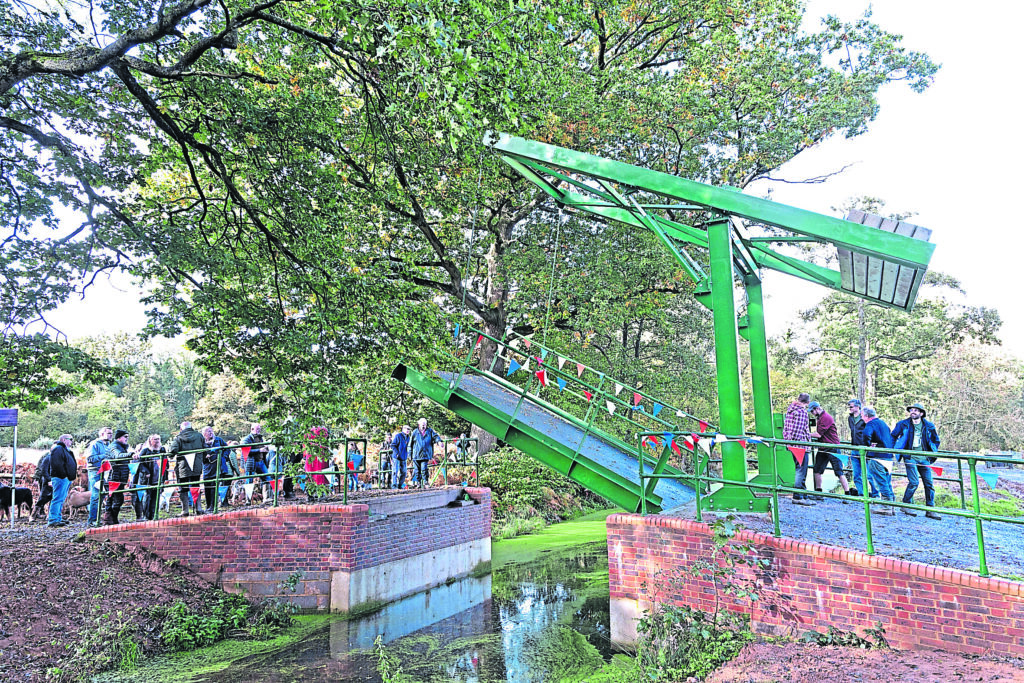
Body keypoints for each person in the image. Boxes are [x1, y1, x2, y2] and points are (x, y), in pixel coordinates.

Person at [892, 402, 942, 520]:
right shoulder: (903, 424)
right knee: (914, 482)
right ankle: (906, 504)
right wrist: (897, 449)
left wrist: (932, 450)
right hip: (910, 457)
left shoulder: (929, 425)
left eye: (916, 410)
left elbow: (936, 440)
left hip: (924, 458)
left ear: (921, 413)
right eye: (911, 410)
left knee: (929, 483)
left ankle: (930, 509)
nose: (912, 412)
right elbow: (893, 436)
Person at [808, 402, 856, 499]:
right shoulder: (820, 418)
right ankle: (819, 493)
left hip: (832, 447)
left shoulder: (826, 417)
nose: (812, 413)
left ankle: (848, 494)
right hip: (823, 447)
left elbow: (818, 434)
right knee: (817, 469)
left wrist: (806, 434)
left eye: (812, 411)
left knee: (838, 471)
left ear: (817, 408)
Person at [860, 407, 896, 516]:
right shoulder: (883, 424)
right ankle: (891, 504)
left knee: (881, 482)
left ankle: (886, 506)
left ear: (866, 416)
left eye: (862, 416)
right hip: (888, 456)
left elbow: (866, 435)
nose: (862, 418)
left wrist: (867, 445)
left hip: (877, 457)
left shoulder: (870, 424)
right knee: (886, 481)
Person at [168, 421, 205, 516]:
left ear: (181, 429)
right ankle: (199, 508)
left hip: (182, 467)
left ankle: (185, 510)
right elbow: (205, 449)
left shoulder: (178, 438)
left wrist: (171, 455)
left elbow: (172, 451)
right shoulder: (199, 436)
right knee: (195, 485)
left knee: (183, 488)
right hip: (196, 466)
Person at [783, 393, 814, 504]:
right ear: (807, 402)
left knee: (800, 469)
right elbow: (798, 429)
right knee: (801, 470)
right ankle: (797, 497)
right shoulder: (801, 412)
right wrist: (797, 443)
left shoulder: (791, 410)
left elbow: (787, 428)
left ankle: (803, 494)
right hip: (800, 445)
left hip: (792, 444)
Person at [846, 399, 875, 498]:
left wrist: (871, 444)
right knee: (856, 474)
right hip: (854, 448)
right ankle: (861, 493)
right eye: (849, 406)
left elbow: (871, 431)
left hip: (864, 448)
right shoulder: (850, 418)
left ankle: (875, 493)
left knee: (869, 474)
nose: (850, 408)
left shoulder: (864, 418)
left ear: (857, 407)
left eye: (851, 406)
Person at [46, 434, 77, 528]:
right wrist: (64, 475)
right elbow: (57, 464)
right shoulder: (58, 449)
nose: (72, 441)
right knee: (57, 498)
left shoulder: (64, 450)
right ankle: (53, 520)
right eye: (70, 439)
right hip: (60, 478)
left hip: (65, 478)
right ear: (64, 440)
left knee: (61, 498)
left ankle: (58, 518)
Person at [102, 429, 131, 525]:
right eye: (125, 437)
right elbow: (118, 456)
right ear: (119, 437)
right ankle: (110, 519)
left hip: (118, 476)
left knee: (114, 498)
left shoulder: (121, 446)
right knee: (115, 499)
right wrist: (131, 454)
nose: (127, 438)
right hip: (113, 477)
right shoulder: (114, 446)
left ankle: (111, 519)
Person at [86, 427, 113, 524]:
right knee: (96, 495)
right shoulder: (94, 444)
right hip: (95, 471)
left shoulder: (109, 445)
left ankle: (97, 518)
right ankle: (92, 520)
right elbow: (90, 458)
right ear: (102, 434)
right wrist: (104, 456)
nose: (111, 435)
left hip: (105, 472)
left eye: (111, 433)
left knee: (102, 495)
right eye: (109, 433)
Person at [136, 434, 165, 521]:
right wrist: (146, 472)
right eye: (155, 439)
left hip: (158, 476)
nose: (157, 441)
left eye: (158, 439)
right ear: (150, 441)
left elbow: (165, 462)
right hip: (148, 478)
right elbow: (139, 463)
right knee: (147, 496)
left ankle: (154, 514)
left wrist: (164, 476)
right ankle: (146, 515)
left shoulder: (162, 449)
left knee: (156, 496)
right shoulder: (145, 450)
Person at [201, 426, 229, 513]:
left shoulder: (218, 440)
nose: (210, 433)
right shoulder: (202, 442)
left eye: (211, 431)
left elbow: (227, 448)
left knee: (214, 486)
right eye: (208, 431)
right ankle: (208, 505)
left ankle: (213, 506)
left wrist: (223, 457)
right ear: (204, 434)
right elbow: (199, 453)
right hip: (206, 466)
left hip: (216, 466)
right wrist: (205, 456)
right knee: (207, 486)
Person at [410, 418, 441, 488]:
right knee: (417, 470)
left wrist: (438, 441)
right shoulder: (415, 432)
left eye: (425, 425)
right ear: (419, 424)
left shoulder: (429, 431)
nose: (424, 426)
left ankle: (426, 482)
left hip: (425, 454)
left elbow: (435, 436)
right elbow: (410, 444)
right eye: (422, 424)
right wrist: (410, 454)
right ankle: (418, 483)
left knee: (424, 469)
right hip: (416, 454)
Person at [242, 423, 271, 495]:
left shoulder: (260, 438)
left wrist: (266, 449)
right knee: (249, 481)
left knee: (267, 478)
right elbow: (246, 451)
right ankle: (248, 500)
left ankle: (267, 497)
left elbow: (262, 448)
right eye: (257, 429)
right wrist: (259, 450)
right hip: (251, 462)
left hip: (261, 461)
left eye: (259, 429)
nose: (259, 430)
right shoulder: (246, 439)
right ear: (252, 429)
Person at [31, 447, 52, 521]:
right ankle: (35, 514)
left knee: (53, 498)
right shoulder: (46, 456)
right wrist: (36, 478)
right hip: (45, 479)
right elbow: (40, 468)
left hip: (55, 479)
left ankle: (50, 515)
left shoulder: (60, 456)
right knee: (43, 497)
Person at [390, 425, 412, 489]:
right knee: (395, 471)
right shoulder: (398, 436)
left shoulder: (408, 438)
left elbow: (409, 446)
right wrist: (397, 453)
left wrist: (408, 454)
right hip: (396, 457)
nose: (408, 430)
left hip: (404, 457)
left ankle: (400, 485)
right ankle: (394, 485)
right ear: (403, 429)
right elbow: (393, 445)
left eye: (409, 429)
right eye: (407, 429)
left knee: (404, 472)